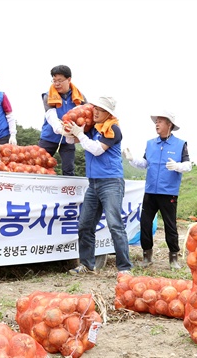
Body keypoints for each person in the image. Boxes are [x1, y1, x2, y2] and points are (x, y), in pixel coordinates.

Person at [64, 96, 132, 275]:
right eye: (94, 108)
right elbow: (71, 141)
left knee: (115, 225)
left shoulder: (113, 129)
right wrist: (68, 129)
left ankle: (124, 268)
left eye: (99, 110)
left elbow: (96, 149)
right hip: (93, 183)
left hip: (111, 182)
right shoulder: (93, 128)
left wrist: (79, 134)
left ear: (108, 113)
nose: (94, 111)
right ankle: (87, 265)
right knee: (85, 225)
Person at [124, 110, 191, 269]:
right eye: (156, 121)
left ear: (169, 125)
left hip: (168, 192)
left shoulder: (180, 144)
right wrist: (132, 159)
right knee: (145, 223)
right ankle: (147, 257)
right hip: (150, 192)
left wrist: (177, 166)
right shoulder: (150, 143)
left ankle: (173, 258)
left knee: (170, 225)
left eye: (160, 121)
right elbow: (145, 164)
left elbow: (188, 165)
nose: (157, 124)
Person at [38, 65, 87, 176]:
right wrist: (60, 129)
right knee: (39, 165)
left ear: (69, 79)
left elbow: (87, 114)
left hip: (68, 138)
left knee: (68, 169)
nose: (56, 84)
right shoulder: (47, 96)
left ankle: (67, 192)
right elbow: (51, 115)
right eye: (54, 80)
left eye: (60, 80)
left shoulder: (80, 97)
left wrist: (80, 132)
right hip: (49, 137)